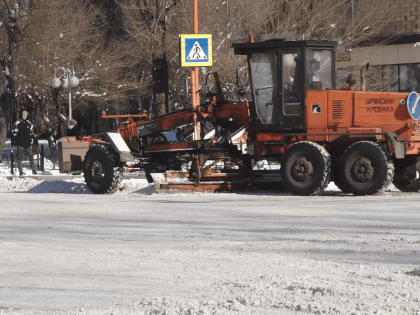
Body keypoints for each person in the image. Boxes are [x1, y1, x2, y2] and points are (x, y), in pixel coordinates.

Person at [13, 111, 37, 176]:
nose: (25, 117)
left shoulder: (29, 123)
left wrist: (31, 140)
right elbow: (14, 134)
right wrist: (19, 141)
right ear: (21, 115)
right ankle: (21, 171)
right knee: (19, 158)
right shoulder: (16, 123)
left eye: (26, 115)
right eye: (24, 115)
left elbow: (32, 133)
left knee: (31, 157)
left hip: (28, 144)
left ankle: (33, 170)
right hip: (20, 145)